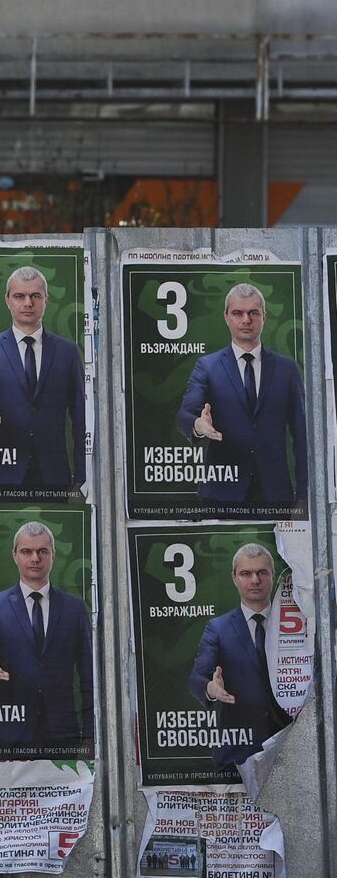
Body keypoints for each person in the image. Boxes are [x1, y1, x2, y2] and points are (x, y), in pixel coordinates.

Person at [0, 522, 94, 748]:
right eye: (26, 551)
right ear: (14, 556)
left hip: (61, 736)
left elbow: (89, 676)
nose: (35, 558)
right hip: (7, 736)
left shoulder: (75, 608)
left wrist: (90, 735)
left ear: (53, 556)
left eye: (42, 551)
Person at [0, 266, 86, 490]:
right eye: (19, 296)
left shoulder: (68, 352)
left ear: (46, 300)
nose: (27, 303)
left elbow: (81, 418)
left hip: (54, 478)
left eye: (35, 296)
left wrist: (81, 480)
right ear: (7, 300)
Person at [173, 284, 307, 503]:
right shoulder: (207, 366)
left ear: (264, 315)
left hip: (275, 495)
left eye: (253, 312)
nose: (246, 320)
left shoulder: (288, 369)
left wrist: (304, 497)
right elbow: (184, 415)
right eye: (238, 313)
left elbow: (302, 437)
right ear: (226, 316)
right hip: (220, 496)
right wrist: (199, 425)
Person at [187, 543, 295, 767]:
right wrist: (212, 689)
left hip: (291, 752)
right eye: (246, 573)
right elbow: (196, 678)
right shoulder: (217, 628)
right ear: (234, 578)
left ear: (273, 576)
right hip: (237, 756)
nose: (255, 580)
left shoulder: (295, 623)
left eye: (262, 572)